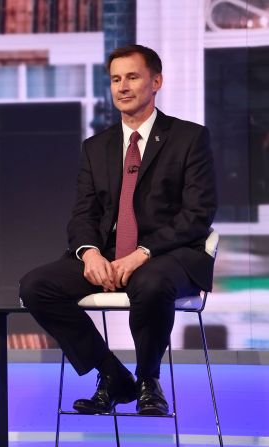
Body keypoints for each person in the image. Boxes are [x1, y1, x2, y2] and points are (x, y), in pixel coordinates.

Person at [19, 45, 217, 415]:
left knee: (151, 282)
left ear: (156, 82)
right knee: (36, 286)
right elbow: (83, 213)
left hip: (168, 256)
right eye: (115, 79)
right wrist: (89, 252)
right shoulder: (97, 147)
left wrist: (143, 253)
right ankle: (112, 374)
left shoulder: (189, 138)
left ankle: (148, 381)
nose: (122, 87)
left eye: (132, 77)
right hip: (109, 257)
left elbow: (197, 214)